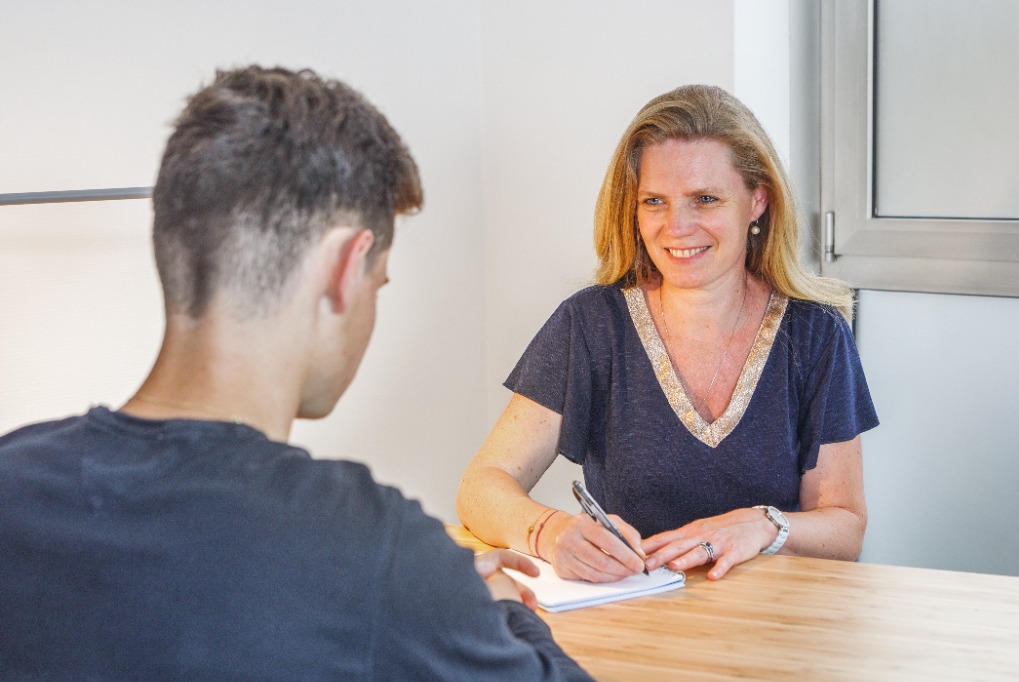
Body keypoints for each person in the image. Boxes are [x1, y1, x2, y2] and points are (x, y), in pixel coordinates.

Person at [0, 66, 593, 681]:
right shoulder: (374, 550)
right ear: (344, 266)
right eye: (379, 283)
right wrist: (492, 613)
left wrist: (426, 601)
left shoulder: (11, 482)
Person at [457, 84, 879, 583]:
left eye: (705, 199)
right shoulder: (591, 324)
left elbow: (845, 528)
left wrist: (766, 525)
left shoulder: (815, 334)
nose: (676, 227)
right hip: (633, 616)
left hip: (776, 624)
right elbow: (482, 486)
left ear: (757, 201)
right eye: (655, 201)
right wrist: (549, 530)